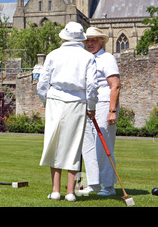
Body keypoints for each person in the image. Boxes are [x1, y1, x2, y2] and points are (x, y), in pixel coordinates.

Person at [37, 22, 99, 202]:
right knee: (73, 145)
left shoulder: (53, 55)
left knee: (53, 143)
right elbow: (92, 85)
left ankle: (56, 191)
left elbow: (43, 83)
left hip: (55, 100)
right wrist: (91, 106)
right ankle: (70, 192)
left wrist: (45, 101)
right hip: (78, 102)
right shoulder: (88, 57)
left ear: (64, 36)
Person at [82, 27, 121, 196]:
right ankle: (93, 184)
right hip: (89, 105)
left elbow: (115, 85)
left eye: (94, 40)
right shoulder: (85, 59)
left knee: (103, 145)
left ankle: (108, 186)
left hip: (105, 104)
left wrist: (112, 110)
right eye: (87, 40)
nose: (90, 43)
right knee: (87, 145)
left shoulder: (107, 58)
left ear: (101, 41)